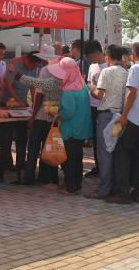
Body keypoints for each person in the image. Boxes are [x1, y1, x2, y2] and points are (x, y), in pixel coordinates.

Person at [106, 43, 139, 205]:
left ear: (133, 55)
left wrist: (124, 115)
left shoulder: (136, 69)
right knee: (138, 156)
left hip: (134, 118)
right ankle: (137, 192)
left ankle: (122, 193)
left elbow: (132, 93)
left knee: (122, 153)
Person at [84, 45, 128, 199]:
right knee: (115, 152)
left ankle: (104, 188)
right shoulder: (126, 73)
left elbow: (99, 94)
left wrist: (90, 88)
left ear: (108, 56)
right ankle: (114, 187)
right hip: (120, 116)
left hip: (106, 115)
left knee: (104, 154)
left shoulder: (106, 71)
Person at [15, 48, 63, 186]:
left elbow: (40, 94)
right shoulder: (62, 72)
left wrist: (33, 116)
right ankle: (44, 176)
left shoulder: (46, 70)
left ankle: (28, 177)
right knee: (47, 148)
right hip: (54, 115)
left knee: (33, 147)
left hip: (42, 115)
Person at [0, 50, 44, 173]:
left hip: (23, 104)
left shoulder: (35, 67)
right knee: (7, 137)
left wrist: (34, 104)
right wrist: (17, 100)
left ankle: (20, 163)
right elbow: (8, 84)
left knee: (22, 136)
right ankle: (6, 163)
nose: (33, 69)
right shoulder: (14, 63)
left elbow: (33, 87)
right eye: (33, 66)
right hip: (8, 103)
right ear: (27, 60)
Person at [54, 58, 91, 194]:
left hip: (70, 129)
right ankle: (77, 185)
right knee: (77, 157)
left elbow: (69, 111)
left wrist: (58, 115)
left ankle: (71, 187)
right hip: (81, 128)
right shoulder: (82, 85)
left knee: (69, 158)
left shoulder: (68, 89)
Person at [83, 40, 106, 178]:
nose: (89, 59)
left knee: (101, 139)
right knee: (94, 139)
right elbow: (89, 83)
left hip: (101, 107)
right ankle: (98, 166)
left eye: (90, 56)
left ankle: (103, 167)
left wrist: (92, 89)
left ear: (97, 53)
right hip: (90, 106)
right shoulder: (92, 66)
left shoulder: (107, 67)